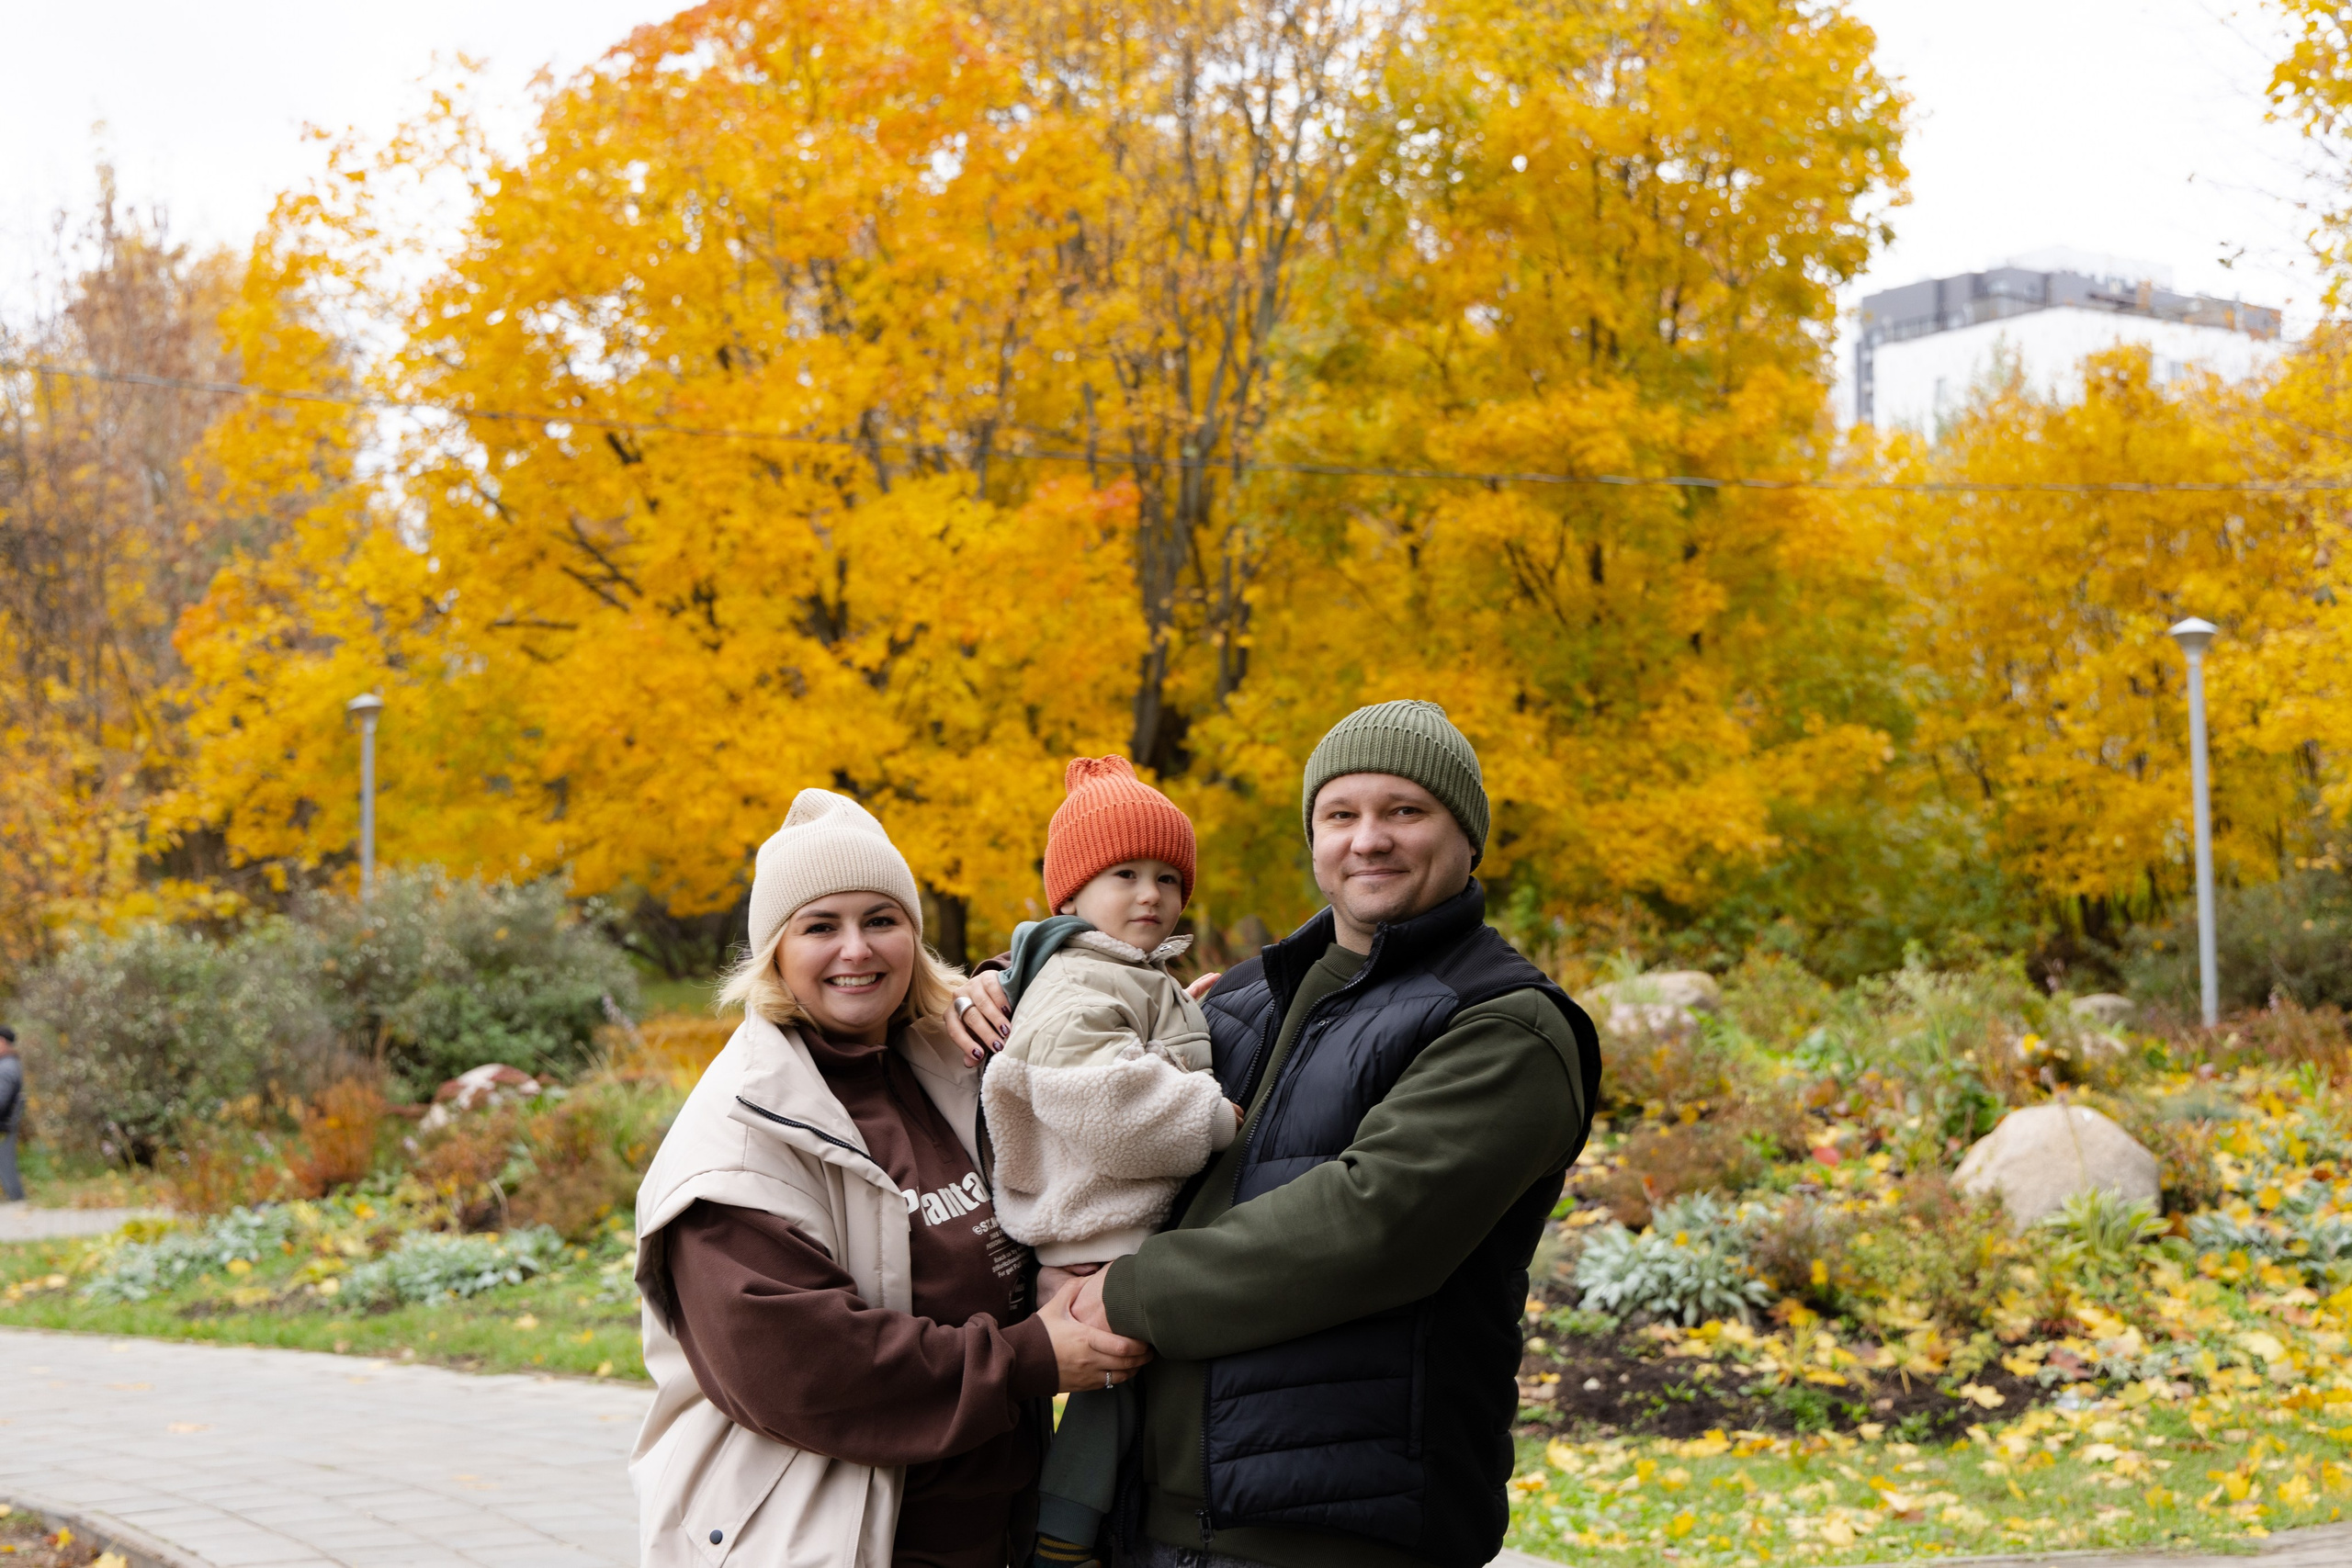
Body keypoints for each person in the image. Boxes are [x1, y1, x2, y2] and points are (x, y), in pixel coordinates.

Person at [949, 700, 1602, 1568]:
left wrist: (1122, 1293)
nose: (1369, 839)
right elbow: (1104, 1062)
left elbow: (1371, 1226)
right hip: (1156, 1513)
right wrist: (1002, 985)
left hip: (1326, 1528)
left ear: (1467, 832)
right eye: (1341, 814)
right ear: (1315, 837)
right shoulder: (1249, 996)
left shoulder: (1504, 1024)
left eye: (1405, 810)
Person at [630, 788, 1152, 1568]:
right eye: (820, 926)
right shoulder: (737, 1140)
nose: (857, 950)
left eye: (881, 919)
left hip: (992, 1534)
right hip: (824, 1542)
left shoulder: (945, 1069)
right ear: (774, 950)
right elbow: (806, 1370)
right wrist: (1028, 1356)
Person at [978, 757, 1245, 1568]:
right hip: (1094, 1224)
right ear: (1070, 893)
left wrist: (1188, 1017)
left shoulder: (1126, 973)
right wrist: (1214, 1117)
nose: (1151, 895)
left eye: (1169, 877)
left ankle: (1081, 1522)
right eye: (1123, 873)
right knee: (1111, 1375)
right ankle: (1061, 1532)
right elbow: (1109, 1102)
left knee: (1125, 1388)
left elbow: (1137, 1050)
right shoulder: (1074, 983)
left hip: (1115, 1219)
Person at [0, 1025, 22, 1203]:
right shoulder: (9, 1064)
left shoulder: (6, 1068)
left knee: (6, 1166)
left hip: (3, 1125)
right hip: (5, 1123)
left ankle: (17, 1200)